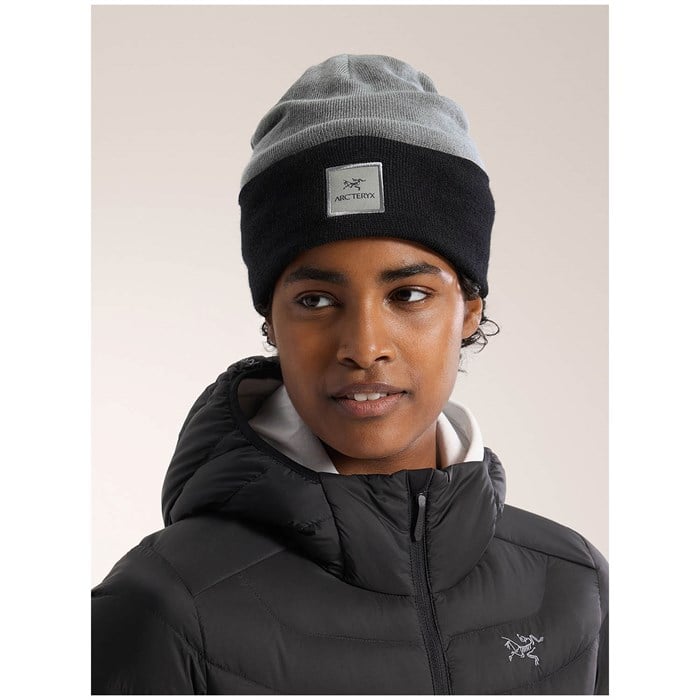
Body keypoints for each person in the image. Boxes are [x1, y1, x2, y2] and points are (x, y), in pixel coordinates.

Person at [91, 54, 608, 694]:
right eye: (316, 300)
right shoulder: (159, 605)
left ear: (470, 310)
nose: (364, 347)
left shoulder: (574, 585)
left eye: (409, 295)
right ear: (271, 321)